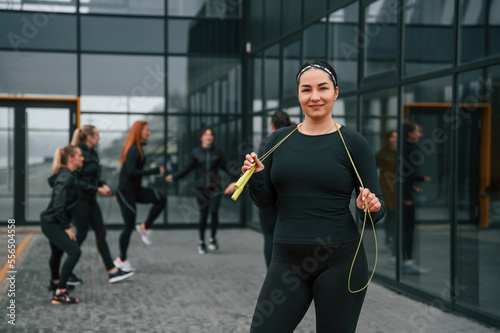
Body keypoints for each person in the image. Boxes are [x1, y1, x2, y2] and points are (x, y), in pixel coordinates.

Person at [241, 59, 385, 332]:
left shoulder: (353, 143)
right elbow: (266, 202)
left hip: (341, 261)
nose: (315, 96)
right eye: (306, 89)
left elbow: (377, 211)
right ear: (298, 95)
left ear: (336, 92)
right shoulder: (278, 140)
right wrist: (255, 178)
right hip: (286, 259)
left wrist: (371, 206)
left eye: (323, 88)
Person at [69, 126, 134, 284]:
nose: (99, 138)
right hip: (80, 201)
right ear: (89, 137)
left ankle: (112, 271)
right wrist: (96, 189)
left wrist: (102, 184)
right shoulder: (78, 153)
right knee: (81, 235)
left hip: (91, 199)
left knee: (100, 233)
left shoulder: (93, 153)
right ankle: (65, 272)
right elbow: (75, 180)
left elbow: (94, 176)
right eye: (97, 135)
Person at [165, 127, 237, 254]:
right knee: (204, 215)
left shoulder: (217, 152)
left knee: (214, 212)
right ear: (201, 137)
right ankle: (201, 242)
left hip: (215, 187)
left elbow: (226, 167)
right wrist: (175, 176)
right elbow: (187, 168)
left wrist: (239, 177)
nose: (209, 137)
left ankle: (213, 238)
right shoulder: (196, 153)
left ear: (213, 137)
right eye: (206, 135)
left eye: (211, 135)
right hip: (201, 188)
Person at [115, 121, 166, 272]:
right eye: (147, 130)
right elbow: (130, 172)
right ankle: (121, 260)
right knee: (128, 226)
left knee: (161, 198)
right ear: (139, 132)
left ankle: (145, 227)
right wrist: (154, 171)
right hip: (125, 192)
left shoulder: (139, 149)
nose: (149, 132)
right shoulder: (134, 150)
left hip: (134, 190)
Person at [40, 145, 84, 304]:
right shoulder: (66, 177)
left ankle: (55, 282)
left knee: (57, 253)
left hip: (53, 222)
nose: (83, 158)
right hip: (53, 223)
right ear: (71, 158)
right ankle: (60, 292)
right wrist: (67, 226)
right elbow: (59, 205)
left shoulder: (67, 175)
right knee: (75, 251)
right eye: (79, 155)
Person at [259, 111, 292, 268]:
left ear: (272, 126)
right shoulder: (296, 141)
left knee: (269, 235)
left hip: (269, 197)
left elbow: (258, 170)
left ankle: (272, 274)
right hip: (290, 197)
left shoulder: (267, 142)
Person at [402, 122, 431, 275]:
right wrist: (406, 195)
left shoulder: (407, 148)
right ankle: (407, 261)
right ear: (409, 133)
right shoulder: (406, 149)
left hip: (403, 193)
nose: (420, 134)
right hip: (403, 197)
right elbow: (403, 174)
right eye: (417, 131)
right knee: (407, 228)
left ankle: (403, 258)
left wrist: (414, 183)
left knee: (405, 228)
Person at [377, 130, 397, 259]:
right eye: (393, 137)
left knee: (395, 213)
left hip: (398, 187)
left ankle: (392, 237)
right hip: (386, 187)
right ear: (388, 139)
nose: (395, 139)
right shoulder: (382, 153)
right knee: (391, 212)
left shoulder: (401, 152)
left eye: (396, 137)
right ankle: (390, 237)